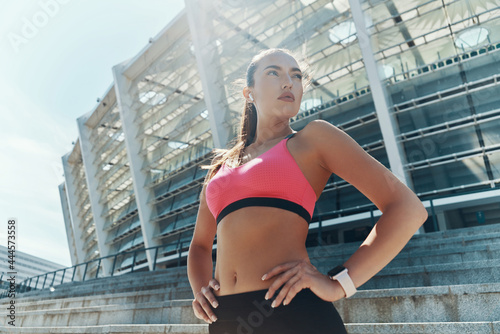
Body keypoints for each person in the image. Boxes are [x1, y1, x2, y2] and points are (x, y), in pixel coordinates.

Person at [187, 48, 428, 334]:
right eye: (274, 72)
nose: (288, 82)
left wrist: (339, 284)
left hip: (294, 313)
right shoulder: (220, 166)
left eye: (296, 75)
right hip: (226, 320)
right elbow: (200, 246)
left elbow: (407, 209)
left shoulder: (313, 139)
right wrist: (201, 289)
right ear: (248, 92)